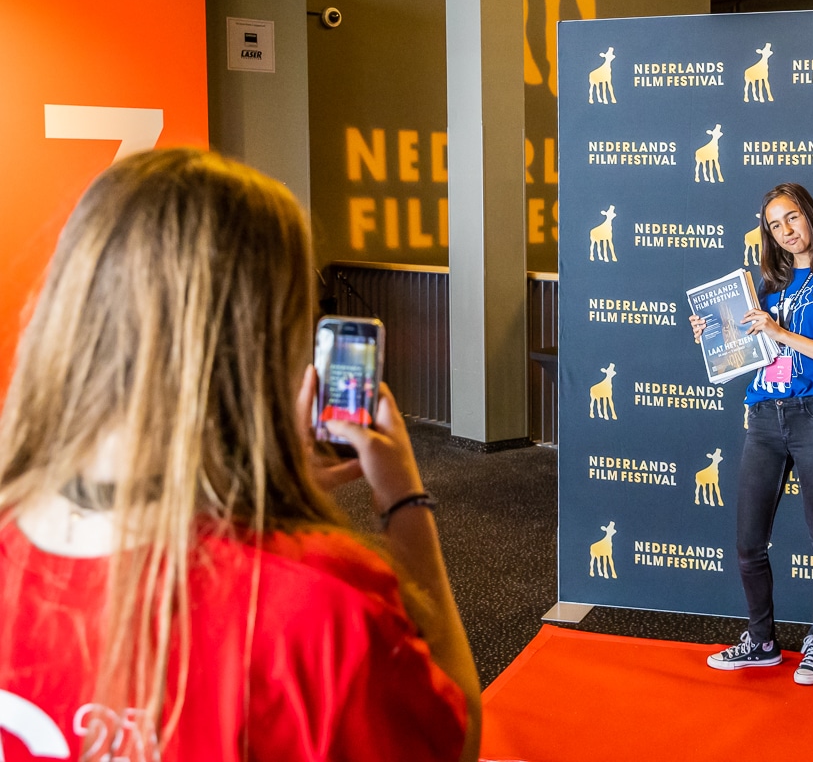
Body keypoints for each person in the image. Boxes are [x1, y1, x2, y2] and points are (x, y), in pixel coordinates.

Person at [0, 148, 481, 760]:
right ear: (263, 345)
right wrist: (405, 502)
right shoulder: (323, 606)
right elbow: (456, 740)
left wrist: (255, 493)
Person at [692, 183, 813, 685]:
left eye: (791, 219)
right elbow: (745, 355)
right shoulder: (767, 285)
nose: (785, 232)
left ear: (810, 216)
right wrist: (715, 337)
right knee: (748, 541)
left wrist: (781, 332)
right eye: (773, 225)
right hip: (765, 414)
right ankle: (762, 641)